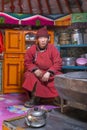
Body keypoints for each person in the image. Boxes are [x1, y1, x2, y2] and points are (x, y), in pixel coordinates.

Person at [22, 27, 62, 107]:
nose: (43, 40)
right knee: (29, 75)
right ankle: (34, 99)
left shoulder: (52, 48)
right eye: (41, 38)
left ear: (48, 39)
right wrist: (35, 70)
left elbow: (58, 62)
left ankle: (57, 99)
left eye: (45, 38)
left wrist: (49, 72)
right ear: (37, 39)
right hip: (38, 72)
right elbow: (27, 62)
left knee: (60, 77)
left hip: (50, 72)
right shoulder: (32, 49)